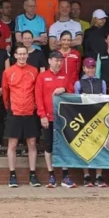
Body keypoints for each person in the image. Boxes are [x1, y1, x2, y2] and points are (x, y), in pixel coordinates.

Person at [3, 45, 41, 188]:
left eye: (24, 54)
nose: (22, 56)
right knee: (12, 144)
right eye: (19, 54)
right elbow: (5, 93)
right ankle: (12, 175)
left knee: (32, 143)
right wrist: (10, 108)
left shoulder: (34, 71)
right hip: (15, 112)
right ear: (15, 55)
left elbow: (36, 91)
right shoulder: (8, 72)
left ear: (27, 55)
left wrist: (35, 106)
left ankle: (32, 174)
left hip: (30, 111)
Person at [36, 51, 72, 188]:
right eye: (56, 60)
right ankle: (51, 174)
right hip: (48, 118)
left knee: (64, 146)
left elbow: (71, 91)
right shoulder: (42, 77)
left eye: (60, 61)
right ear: (49, 61)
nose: (58, 63)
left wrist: (64, 88)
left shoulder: (65, 76)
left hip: (63, 118)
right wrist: (42, 115)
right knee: (49, 146)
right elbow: (38, 97)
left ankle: (65, 175)